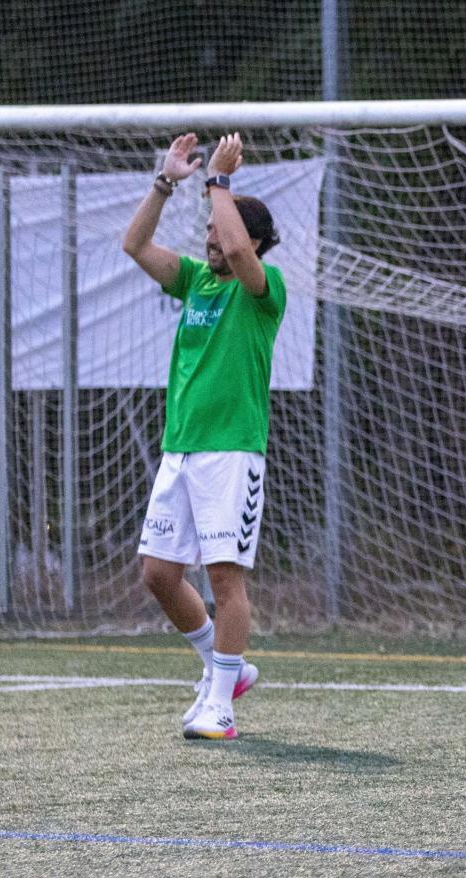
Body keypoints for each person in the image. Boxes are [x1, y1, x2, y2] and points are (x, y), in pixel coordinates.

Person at [122, 132, 286, 740]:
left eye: (220, 229)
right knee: (158, 573)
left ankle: (221, 706)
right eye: (212, 230)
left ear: (254, 242)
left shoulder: (263, 290)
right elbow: (134, 243)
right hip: (181, 450)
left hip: (232, 452)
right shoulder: (194, 280)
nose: (212, 238)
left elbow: (242, 250)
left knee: (225, 577)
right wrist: (166, 183)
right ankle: (226, 670)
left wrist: (219, 182)